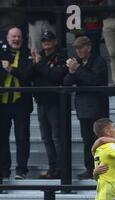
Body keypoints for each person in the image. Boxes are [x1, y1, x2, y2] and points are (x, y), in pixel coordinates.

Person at [64, 36, 109, 179]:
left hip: (97, 108)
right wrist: (72, 71)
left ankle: (102, 168)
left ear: (88, 47)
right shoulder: (78, 64)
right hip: (83, 109)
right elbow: (67, 83)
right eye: (76, 48)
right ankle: (89, 169)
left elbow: (94, 81)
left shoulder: (99, 61)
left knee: (100, 141)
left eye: (81, 47)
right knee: (87, 141)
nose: (78, 51)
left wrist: (77, 69)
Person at [32, 30, 68, 179]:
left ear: (54, 41)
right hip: (41, 102)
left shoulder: (61, 56)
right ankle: (52, 168)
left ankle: (61, 169)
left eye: (49, 40)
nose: (46, 43)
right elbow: (29, 75)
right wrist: (35, 64)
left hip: (55, 103)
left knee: (57, 138)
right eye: (44, 40)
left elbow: (55, 76)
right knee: (46, 138)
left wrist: (40, 64)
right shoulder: (38, 56)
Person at [0, 27, 33, 180]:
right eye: (13, 36)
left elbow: (27, 76)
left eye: (18, 36)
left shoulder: (28, 54)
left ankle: (21, 170)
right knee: (2, 138)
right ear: (7, 38)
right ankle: (4, 170)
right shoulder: (1, 53)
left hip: (21, 102)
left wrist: (11, 69)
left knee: (22, 137)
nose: (16, 39)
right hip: (3, 102)